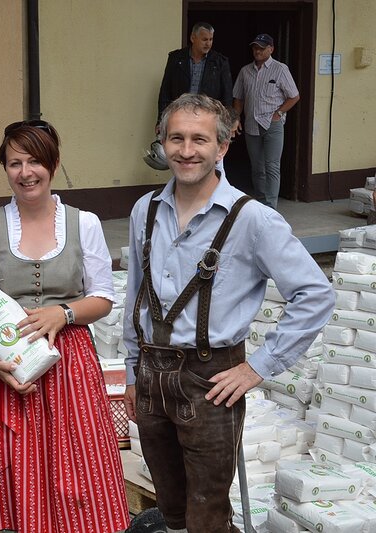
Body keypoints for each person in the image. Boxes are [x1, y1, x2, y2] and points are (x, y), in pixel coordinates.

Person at [122, 94, 334, 533]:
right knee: (172, 509)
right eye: (175, 137)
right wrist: (130, 372)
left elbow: (315, 294)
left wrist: (257, 367)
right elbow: (135, 297)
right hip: (150, 376)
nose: (186, 150)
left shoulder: (253, 219)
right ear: (161, 142)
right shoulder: (146, 210)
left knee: (207, 513)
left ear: (221, 147)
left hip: (210, 381)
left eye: (199, 139)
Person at [0, 120, 130, 533]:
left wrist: (64, 313)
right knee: (9, 472)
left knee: (77, 477)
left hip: (69, 367)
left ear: (52, 164)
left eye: (34, 160)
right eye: (14, 162)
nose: (25, 172)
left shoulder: (82, 223)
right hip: (5, 366)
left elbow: (103, 297)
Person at [233, 33, 300, 208]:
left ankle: (271, 206)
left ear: (271, 49)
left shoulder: (280, 69)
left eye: (262, 48)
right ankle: (261, 204)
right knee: (257, 168)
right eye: (255, 48)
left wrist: (279, 112)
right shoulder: (245, 71)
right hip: (251, 124)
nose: (257, 51)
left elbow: (294, 96)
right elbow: (238, 98)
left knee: (272, 167)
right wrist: (236, 118)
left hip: (273, 124)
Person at [157, 22, 233, 130]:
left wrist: (226, 123)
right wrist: (161, 120)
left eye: (211, 39)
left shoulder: (220, 62)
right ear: (193, 38)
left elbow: (227, 96)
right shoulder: (176, 58)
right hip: (180, 114)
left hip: (207, 117)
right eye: (204, 39)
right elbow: (165, 91)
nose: (208, 44)